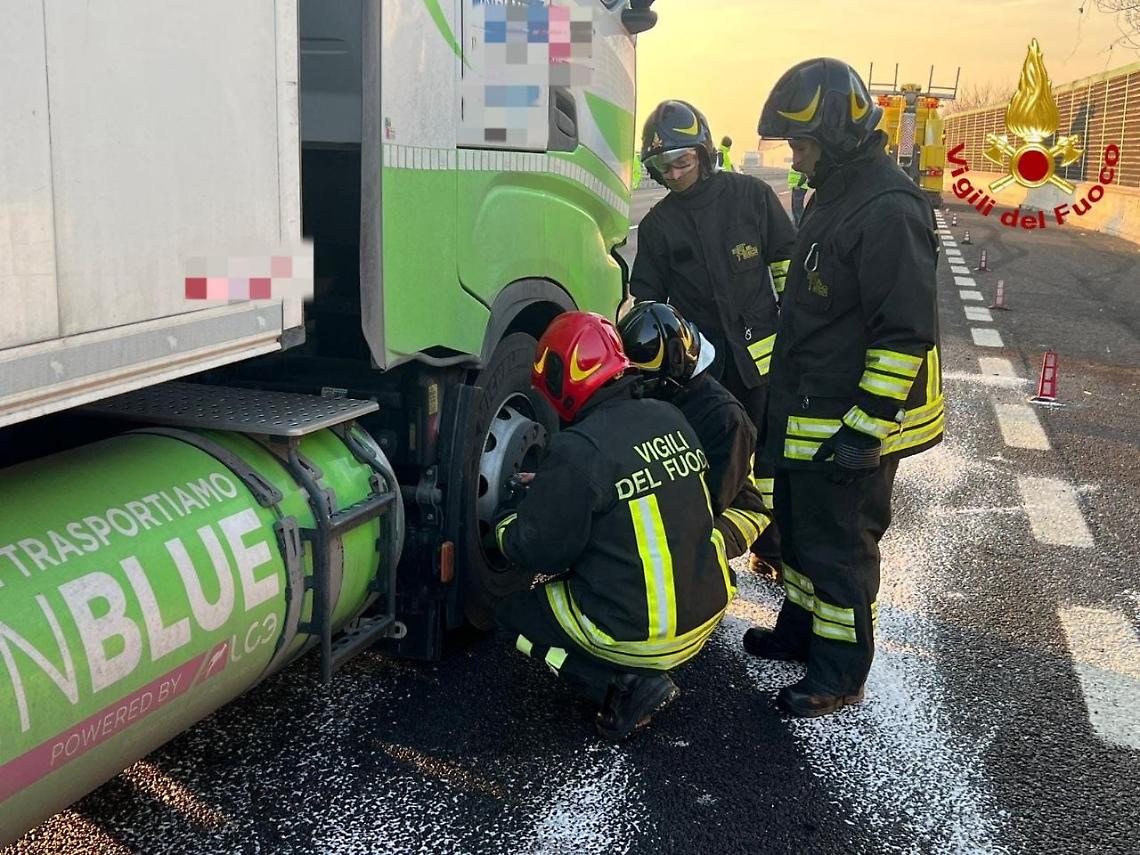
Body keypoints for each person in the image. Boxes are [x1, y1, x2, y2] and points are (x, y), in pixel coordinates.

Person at [746, 58, 944, 717]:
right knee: (800, 536)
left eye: (801, 145)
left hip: (850, 421)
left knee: (838, 550)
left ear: (834, 135)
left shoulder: (888, 208)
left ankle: (837, 673)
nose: (796, 159)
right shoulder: (837, 195)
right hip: (811, 411)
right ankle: (800, 635)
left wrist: (865, 428)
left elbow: (904, 333)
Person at [493, 312, 735, 740]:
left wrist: (508, 523)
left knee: (512, 614)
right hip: (705, 611)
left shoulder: (578, 449)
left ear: (561, 375)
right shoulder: (669, 417)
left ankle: (622, 686)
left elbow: (539, 551)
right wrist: (555, 486)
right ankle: (636, 666)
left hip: (645, 635)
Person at [630, 99, 797, 576]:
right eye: (665, 166)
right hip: (702, 373)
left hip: (763, 366)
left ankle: (774, 551)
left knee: (769, 461)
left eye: (683, 161)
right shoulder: (660, 224)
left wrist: (796, 335)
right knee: (713, 463)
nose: (676, 173)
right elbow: (646, 298)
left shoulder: (751, 197)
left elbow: (785, 264)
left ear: (703, 154)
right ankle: (707, 555)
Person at [617, 301, 769, 560]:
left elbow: (710, 500)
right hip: (683, 492)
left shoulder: (724, 417)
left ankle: (706, 588)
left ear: (675, 367)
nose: (640, 388)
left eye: (647, 381)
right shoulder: (670, 394)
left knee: (670, 545)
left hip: (733, 508)